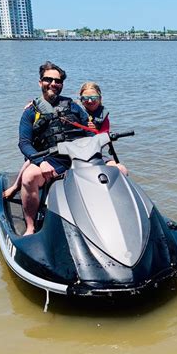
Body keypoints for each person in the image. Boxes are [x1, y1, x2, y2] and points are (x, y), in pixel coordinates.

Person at [16, 61, 88, 235]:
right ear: (40, 82)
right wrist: (41, 163)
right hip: (52, 159)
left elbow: (90, 130)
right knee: (29, 177)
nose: (53, 84)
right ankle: (31, 226)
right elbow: (24, 143)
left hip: (79, 156)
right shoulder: (30, 112)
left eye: (58, 81)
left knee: (119, 170)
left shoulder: (74, 106)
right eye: (48, 79)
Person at [78, 82, 127, 175]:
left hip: (95, 155)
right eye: (85, 98)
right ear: (80, 99)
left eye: (93, 98)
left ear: (100, 98)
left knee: (121, 169)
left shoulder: (103, 117)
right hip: (73, 155)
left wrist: (95, 132)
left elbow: (103, 141)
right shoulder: (73, 112)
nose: (89, 101)